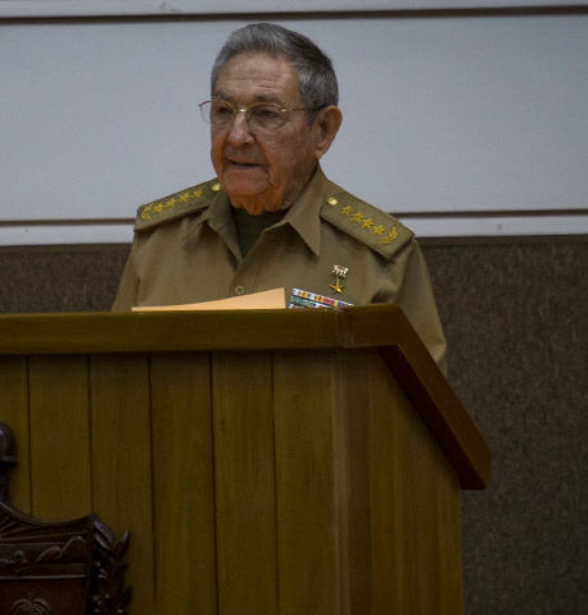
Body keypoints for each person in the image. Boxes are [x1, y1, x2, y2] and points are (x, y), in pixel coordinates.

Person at [112, 22, 447, 371]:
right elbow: (115, 382)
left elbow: (415, 412)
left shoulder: (379, 259)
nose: (237, 135)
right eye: (224, 111)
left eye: (266, 114)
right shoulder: (159, 243)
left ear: (322, 131)